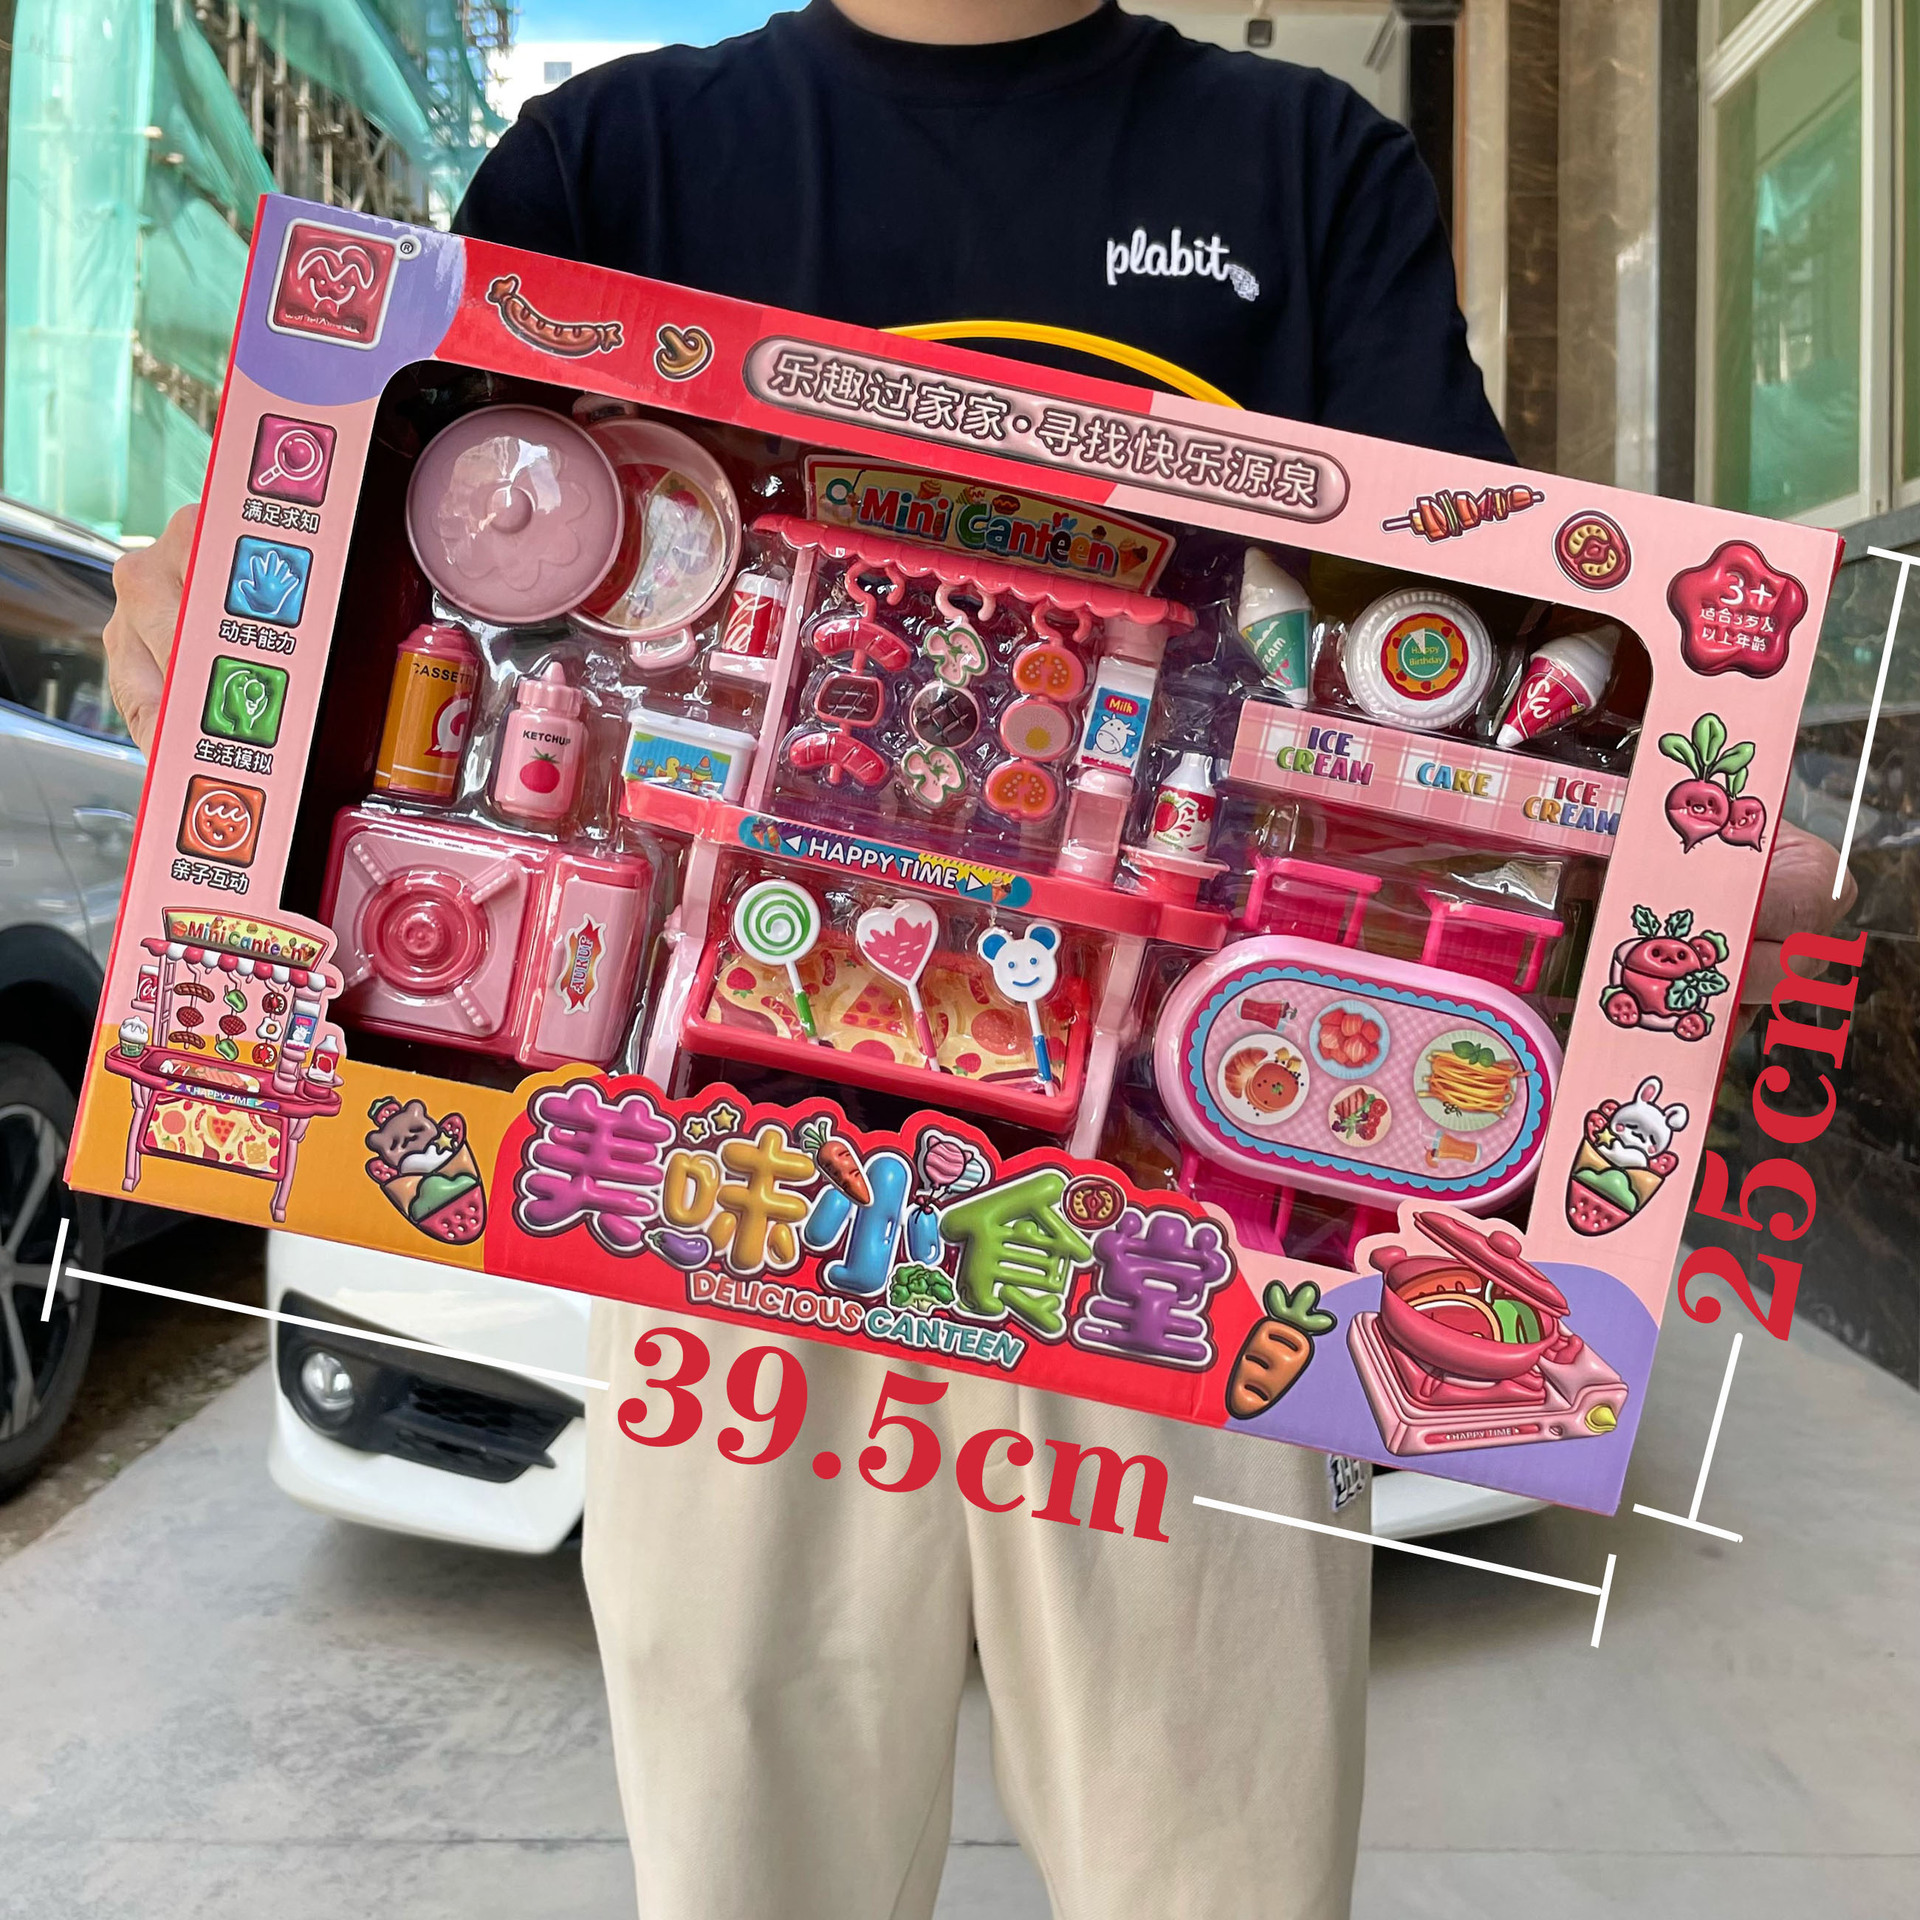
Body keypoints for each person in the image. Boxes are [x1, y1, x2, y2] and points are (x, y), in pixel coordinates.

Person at [104, 5, 1854, 1916]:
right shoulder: (616, 165)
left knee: (1214, 1863)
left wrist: (1666, 840)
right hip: (717, 1207)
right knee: (755, 1862)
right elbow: (437, 577)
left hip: (1187, 1238)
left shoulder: (1303, 165)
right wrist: (231, 637)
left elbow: (1459, 644)